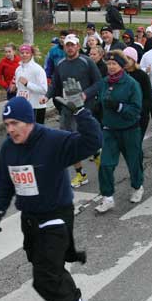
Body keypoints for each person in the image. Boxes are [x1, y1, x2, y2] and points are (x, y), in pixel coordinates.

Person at [0, 96, 101, 301]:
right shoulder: (8, 148)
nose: (10, 129)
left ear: (29, 121)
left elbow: (92, 142)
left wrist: (82, 112)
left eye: (15, 123)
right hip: (30, 218)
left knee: (44, 276)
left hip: (55, 216)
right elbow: (4, 182)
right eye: (7, 124)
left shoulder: (53, 140)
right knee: (48, 266)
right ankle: (75, 300)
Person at [41, 34, 102, 187]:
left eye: (72, 45)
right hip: (67, 108)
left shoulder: (86, 62)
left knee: (87, 139)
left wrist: (85, 94)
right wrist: (47, 96)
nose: (70, 47)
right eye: (67, 45)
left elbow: (99, 83)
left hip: (84, 109)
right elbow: (55, 84)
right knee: (69, 141)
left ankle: (98, 157)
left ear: (78, 46)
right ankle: (81, 174)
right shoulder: (60, 63)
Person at [94, 50, 144, 213]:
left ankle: (137, 186)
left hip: (129, 130)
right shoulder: (104, 82)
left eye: (114, 64)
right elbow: (95, 98)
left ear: (121, 66)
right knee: (106, 164)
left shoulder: (131, 84)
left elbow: (136, 109)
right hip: (110, 130)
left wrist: (119, 106)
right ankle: (107, 197)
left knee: (133, 162)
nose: (111, 67)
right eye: (108, 64)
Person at [13, 44, 48, 124]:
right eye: (22, 53)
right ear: (19, 54)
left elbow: (43, 90)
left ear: (31, 54)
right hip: (23, 106)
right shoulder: (18, 69)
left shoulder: (38, 69)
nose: (24, 55)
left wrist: (27, 84)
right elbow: (20, 90)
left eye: (27, 53)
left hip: (36, 106)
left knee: (36, 134)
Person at [123, 47, 152, 138]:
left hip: (139, 114)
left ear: (134, 60)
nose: (126, 61)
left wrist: (139, 110)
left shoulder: (142, 75)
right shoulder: (120, 74)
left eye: (128, 59)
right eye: (123, 59)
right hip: (123, 114)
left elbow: (148, 97)